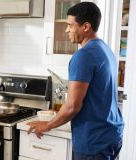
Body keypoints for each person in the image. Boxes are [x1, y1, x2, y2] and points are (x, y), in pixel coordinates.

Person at [27, 2, 124, 160]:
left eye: (70, 25)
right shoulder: (105, 49)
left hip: (93, 140)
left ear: (86, 26)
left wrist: (48, 125)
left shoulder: (84, 55)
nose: (66, 30)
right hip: (111, 134)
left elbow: (72, 106)